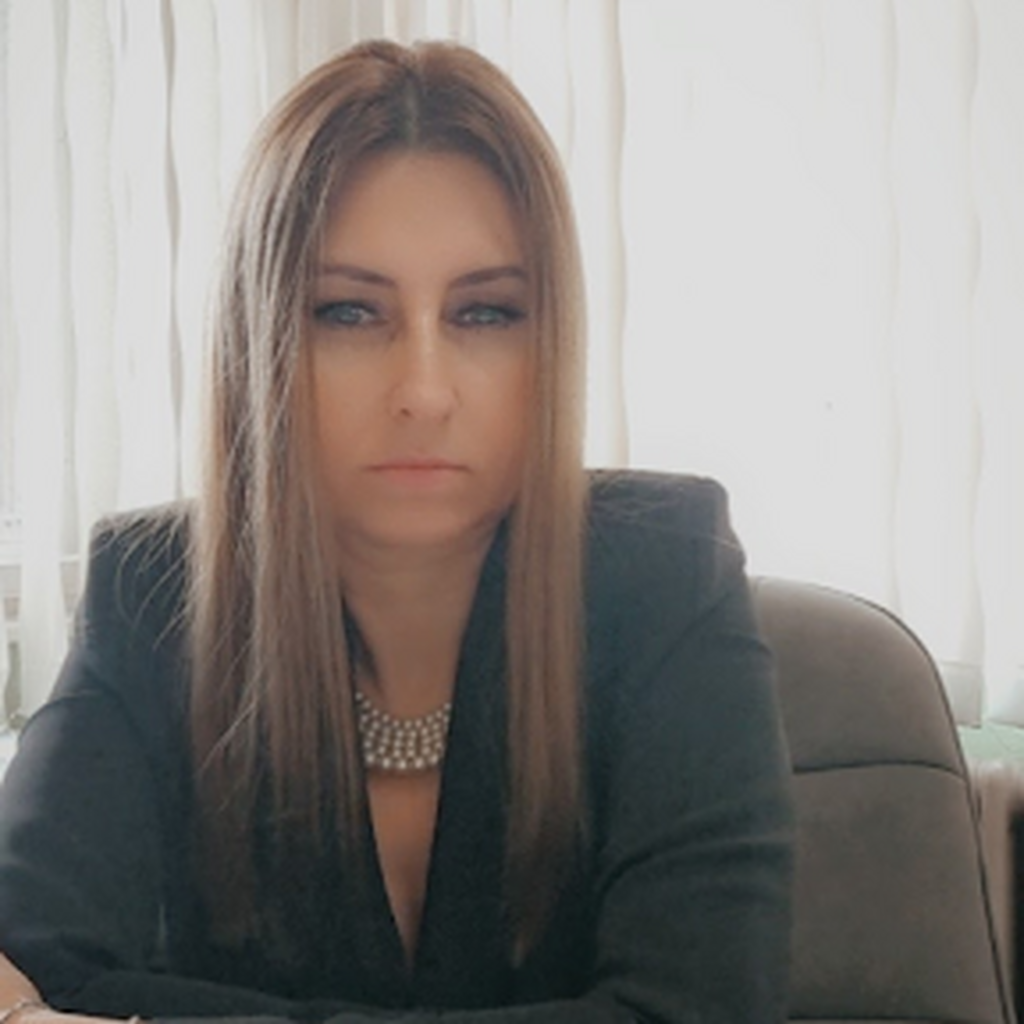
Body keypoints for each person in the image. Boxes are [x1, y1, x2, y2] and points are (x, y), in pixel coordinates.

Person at [0, 38, 793, 1024]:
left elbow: (702, 1009)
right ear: (260, 341)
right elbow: (32, 972)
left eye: (485, 314)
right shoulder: (149, 594)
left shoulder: (670, 571)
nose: (423, 390)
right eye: (348, 312)